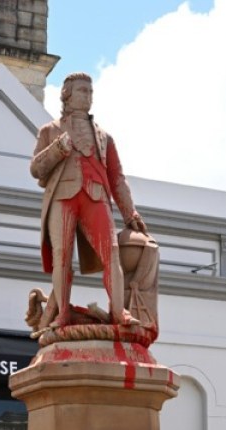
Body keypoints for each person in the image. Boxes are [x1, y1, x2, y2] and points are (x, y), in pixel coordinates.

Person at [30, 71, 148, 329]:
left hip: (96, 195)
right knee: (62, 257)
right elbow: (36, 169)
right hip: (63, 197)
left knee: (112, 255)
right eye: (83, 90)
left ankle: (119, 312)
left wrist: (130, 213)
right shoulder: (49, 131)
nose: (88, 96)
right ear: (67, 95)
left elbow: (117, 178)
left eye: (90, 91)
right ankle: (62, 314)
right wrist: (59, 149)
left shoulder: (105, 137)